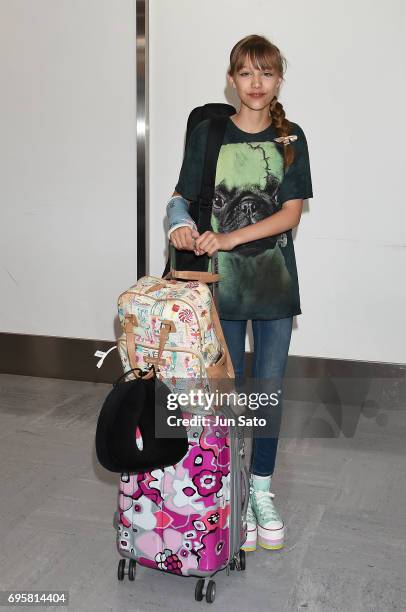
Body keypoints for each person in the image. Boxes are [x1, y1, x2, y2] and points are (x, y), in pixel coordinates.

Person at [166, 34, 313, 552]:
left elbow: (290, 214)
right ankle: (229, 491)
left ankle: (261, 491)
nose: (256, 83)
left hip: (274, 286)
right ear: (232, 79)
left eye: (266, 73)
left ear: (278, 81)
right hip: (217, 288)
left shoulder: (290, 138)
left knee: (267, 390)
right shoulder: (208, 134)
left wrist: (228, 236)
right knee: (226, 397)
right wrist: (178, 225)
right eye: (246, 73)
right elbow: (181, 199)